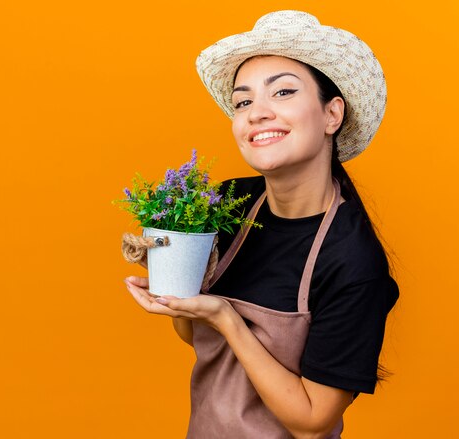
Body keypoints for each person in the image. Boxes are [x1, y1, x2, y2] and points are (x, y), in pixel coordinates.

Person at [124, 10, 399, 439]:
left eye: (283, 92)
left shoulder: (353, 262)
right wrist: (173, 283)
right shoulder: (229, 202)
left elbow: (311, 422)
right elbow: (194, 335)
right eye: (244, 101)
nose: (257, 113)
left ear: (332, 115)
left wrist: (226, 318)